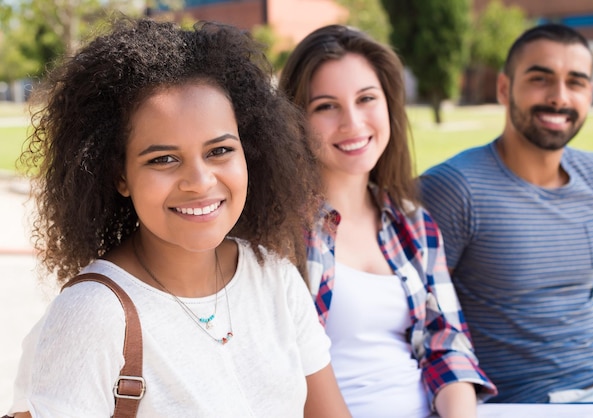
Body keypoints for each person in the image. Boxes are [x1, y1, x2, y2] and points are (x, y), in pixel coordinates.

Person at [5, 18, 351, 418]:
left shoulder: (274, 277)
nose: (199, 182)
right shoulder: (94, 314)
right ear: (120, 175)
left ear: (249, 150)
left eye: (219, 151)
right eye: (163, 159)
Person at [279, 24, 496, 418]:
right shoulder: (279, 229)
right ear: (296, 119)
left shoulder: (414, 224)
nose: (353, 123)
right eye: (326, 106)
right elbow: (276, 369)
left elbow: (446, 343)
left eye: (366, 99)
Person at [420, 23, 593, 404]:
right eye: (540, 79)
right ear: (503, 88)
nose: (559, 97)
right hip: (527, 402)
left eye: (575, 82)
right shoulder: (454, 188)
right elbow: (412, 318)